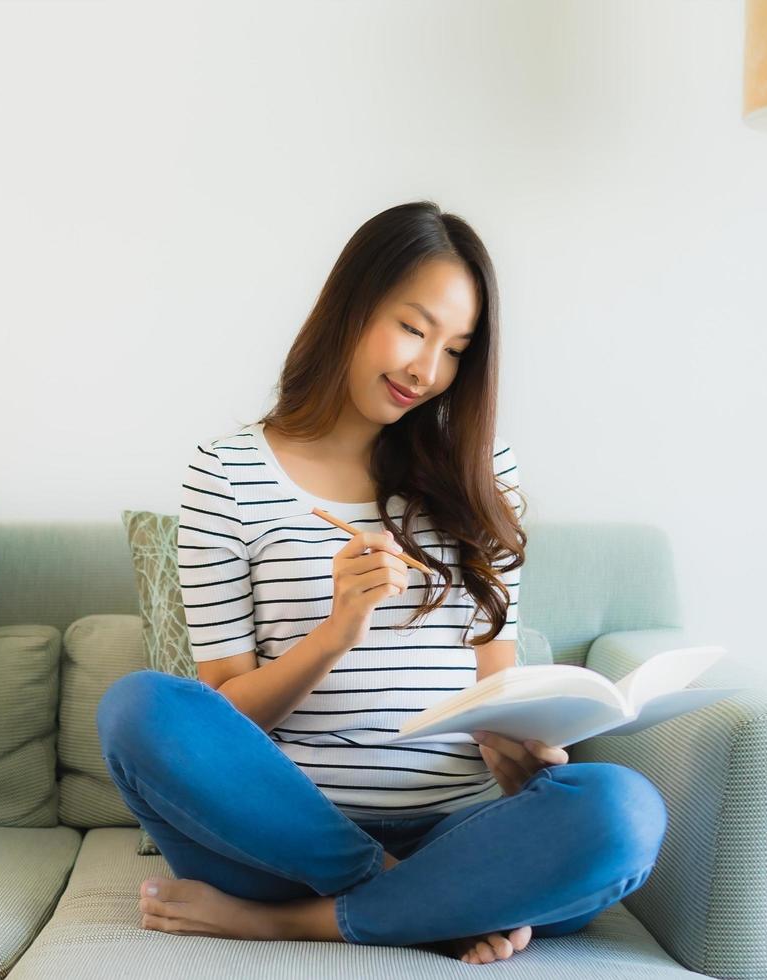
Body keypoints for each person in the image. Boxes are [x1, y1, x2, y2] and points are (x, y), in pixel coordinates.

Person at [97, 200, 667, 965]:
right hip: (275, 839)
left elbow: (496, 679)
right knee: (140, 707)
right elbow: (226, 710)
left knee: (623, 813)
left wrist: (515, 749)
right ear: (353, 304)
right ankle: (415, 898)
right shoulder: (227, 472)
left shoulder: (481, 470)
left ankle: (299, 923)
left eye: (456, 349)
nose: (425, 371)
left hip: (454, 830)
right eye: (413, 327)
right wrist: (336, 633)